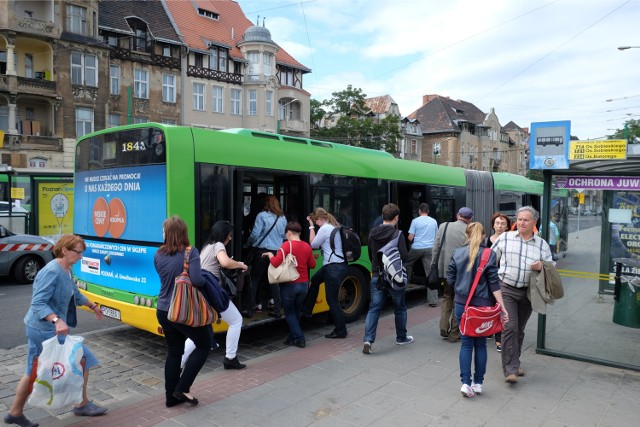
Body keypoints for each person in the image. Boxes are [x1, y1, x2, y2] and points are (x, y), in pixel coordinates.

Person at [4, 234, 107, 427]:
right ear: (65, 250)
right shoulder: (51, 271)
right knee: (83, 359)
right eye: (78, 252)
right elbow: (38, 303)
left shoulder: (66, 269)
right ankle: (81, 404)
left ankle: (15, 413)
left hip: (42, 329)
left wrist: (93, 306)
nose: (81, 256)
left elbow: (74, 293)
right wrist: (57, 320)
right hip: (44, 329)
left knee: (32, 371)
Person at [154, 216, 212, 407]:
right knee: (204, 344)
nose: (162, 233)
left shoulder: (158, 255)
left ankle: (170, 398)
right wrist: (207, 281)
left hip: (163, 310)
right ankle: (183, 387)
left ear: (169, 234)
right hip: (183, 311)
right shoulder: (190, 252)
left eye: (163, 230)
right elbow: (196, 280)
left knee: (174, 352)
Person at [492, 206, 553, 383]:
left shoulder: (542, 244)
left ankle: (515, 361)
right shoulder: (505, 238)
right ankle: (510, 370)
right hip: (507, 289)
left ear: (534, 222)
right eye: (519, 219)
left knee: (519, 329)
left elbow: (552, 267)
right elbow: (489, 260)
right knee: (509, 327)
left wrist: (542, 266)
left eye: (525, 220)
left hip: (528, 291)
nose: (521, 223)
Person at [447, 222, 509, 398]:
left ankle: (465, 383)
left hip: (462, 306)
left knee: (466, 344)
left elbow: (450, 281)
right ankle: (478, 383)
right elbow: (493, 283)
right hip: (483, 307)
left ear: (466, 235)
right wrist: (502, 306)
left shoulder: (457, 254)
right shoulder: (489, 254)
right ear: (483, 236)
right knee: (481, 345)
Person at [197, 220, 248, 370]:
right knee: (236, 320)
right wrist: (240, 265)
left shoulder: (207, 246)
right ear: (223, 235)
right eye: (229, 235)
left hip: (203, 290)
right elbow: (225, 262)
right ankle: (230, 358)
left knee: (200, 330)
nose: (230, 238)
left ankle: (180, 361)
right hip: (212, 291)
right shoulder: (218, 245)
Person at [362, 203, 413, 354]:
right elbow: (404, 256)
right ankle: (401, 338)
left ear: (383, 216)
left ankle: (368, 340)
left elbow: (372, 254)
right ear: (396, 218)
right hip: (394, 277)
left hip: (377, 275)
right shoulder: (397, 234)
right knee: (400, 307)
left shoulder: (372, 232)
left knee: (374, 308)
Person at [265, 221, 316, 348]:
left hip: (290, 285)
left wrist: (270, 255)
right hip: (304, 284)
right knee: (296, 312)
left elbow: (276, 263)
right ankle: (291, 338)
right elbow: (312, 265)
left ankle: (299, 338)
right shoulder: (307, 246)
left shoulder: (286, 245)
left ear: (288, 232)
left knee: (289, 313)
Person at [431, 207, 474, 342]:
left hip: (445, 270)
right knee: (459, 300)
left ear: (457, 215)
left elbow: (436, 247)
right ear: (470, 219)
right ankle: (454, 334)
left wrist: (433, 266)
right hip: (462, 272)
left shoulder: (444, 226)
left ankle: (444, 327)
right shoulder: (471, 229)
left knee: (447, 296)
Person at [306, 207, 349, 338]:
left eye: (315, 220)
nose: (315, 222)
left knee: (332, 300)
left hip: (333, 267)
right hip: (337, 265)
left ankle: (341, 330)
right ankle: (307, 309)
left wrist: (311, 227)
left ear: (320, 219)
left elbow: (313, 244)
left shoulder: (325, 228)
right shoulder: (333, 226)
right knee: (315, 279)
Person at [246, 195, 287, 318]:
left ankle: (249, 310)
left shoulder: (262, 216)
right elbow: (284, 237)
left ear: (266, 204)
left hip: (262, 251)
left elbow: (255, 234)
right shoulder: (282, 218)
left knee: (255, 279)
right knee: (275, 282)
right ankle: (277, 310)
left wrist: (249, 243)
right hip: (277, 252)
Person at [484, 212, 512, 353]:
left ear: (507, 226)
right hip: (489, 278)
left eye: (503, 224)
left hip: (503, 279)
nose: (500, 226)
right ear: (493, 225)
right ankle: (489, 329)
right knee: (489, 305)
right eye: (497, 223)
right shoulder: (486, 241)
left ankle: (499, 339)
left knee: (501, 307)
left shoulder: (510, 240)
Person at [406, 203, 439, 307]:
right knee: (430, 274)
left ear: (419, 211)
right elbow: (436, 236)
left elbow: (410, 238)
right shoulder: (433, 221)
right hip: (430, 249)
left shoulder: (415, 221)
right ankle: (433, 301)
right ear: (428, 211)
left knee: (407, 264)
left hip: (417, 248)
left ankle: (404, 286)